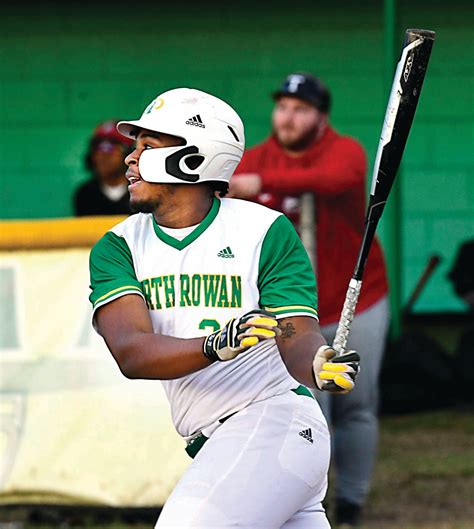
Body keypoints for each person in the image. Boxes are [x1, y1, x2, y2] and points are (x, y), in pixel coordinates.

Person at [88, 87, 362, 529]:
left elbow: (293, 332)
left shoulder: (264, 230)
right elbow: (131, 352)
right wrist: (215, 345)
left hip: (274, 421)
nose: (129, 159)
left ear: (195, 158)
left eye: (147, 147)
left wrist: (317, 362)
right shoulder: (118, 247)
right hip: (218, 442)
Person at [229, 72, 390, 527]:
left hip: (357, 298)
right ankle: (304, 502)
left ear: (321, 117)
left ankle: (353, 502)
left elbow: (336, 178)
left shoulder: (343, 151)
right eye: (282, 106)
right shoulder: (257, 156)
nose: (288, 117)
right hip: (292, 312)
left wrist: (261, 181)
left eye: (300, 109)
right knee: (302, 406)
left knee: (356, 402)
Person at [73, 119, 134, 216]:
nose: (103, 154)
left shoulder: (140, 190)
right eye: (98, 147)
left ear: (128, 154)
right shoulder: (85, 194)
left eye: (111, 147)